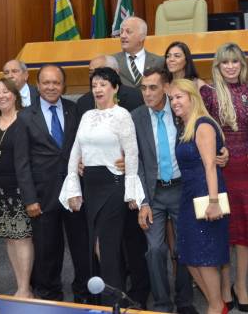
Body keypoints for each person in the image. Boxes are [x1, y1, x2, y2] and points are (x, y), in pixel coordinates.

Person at [61, 66, 145, 304]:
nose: (97, 89)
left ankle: (113, 302)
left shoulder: (122, 115)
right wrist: (73, 188)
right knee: (96, 245)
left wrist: (131, 192)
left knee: (106, 244)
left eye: (103, 84)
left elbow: (132, 154)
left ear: (115, 88)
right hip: (91, 187)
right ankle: (106, 299)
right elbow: (75, 152)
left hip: (113, 186)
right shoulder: (87, 115)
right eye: (94, 85)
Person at [13, 64, 92, 302]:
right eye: (46, 82)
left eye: (56, 82)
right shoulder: (25, 116)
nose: (51, 87)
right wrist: (29, 199)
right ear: (38, 85)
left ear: (63, 86)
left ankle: (84, 294)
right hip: (42, 195)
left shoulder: (74, 110)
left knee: (82, 246)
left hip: (75, 192)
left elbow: (83, 145)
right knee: (47, 250)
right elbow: (22, 163)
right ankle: (49, 295)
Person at [201, 42, 248, 311]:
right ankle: (224, 286)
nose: (230, 67)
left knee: (244, 229)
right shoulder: (208, 93)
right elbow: (202, 128)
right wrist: (216, 151)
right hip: (221, 167)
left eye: (235, 61)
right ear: (217, 66)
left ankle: (241, 285)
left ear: (242, 64)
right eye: (225, 62)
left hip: (246, 167)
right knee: (224, 229)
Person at [134, 66, 198, 314]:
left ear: (167, 88)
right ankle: (161, 304)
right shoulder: (137, 117)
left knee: (184, 246)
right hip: (153, 194)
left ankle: (184, 301)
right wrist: (143, 201)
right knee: (154, 249)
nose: (147, 93)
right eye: (144, 88)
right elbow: (136, 162)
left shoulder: (181, 111)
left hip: (182, 189)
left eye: (153, 87)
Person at [170, 78, 230, 314]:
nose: (174, 102)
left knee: (205, 257)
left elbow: (210, 166)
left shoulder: (202, 125)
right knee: (188, 255)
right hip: (189, 196)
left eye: (179, 97)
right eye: (172, 98)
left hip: (206, 195)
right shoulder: (185, 126)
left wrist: (214, 202)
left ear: (193, 98)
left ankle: (215, 306)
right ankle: (217, 304)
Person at [0, 77, 35, 299]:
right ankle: (20, 284)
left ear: (15, 94)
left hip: (21, 188)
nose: (1, 96)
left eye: (5, 91)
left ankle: (25, 288)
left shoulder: (26, 119)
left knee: (22, 237)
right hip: (0, 189)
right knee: (9, 237)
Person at [77, 54, 146, 115]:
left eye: (101, 71)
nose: (95, 75)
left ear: (115, 72)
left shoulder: (136, 96)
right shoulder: (83, 102)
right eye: (91, 72)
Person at [113, 16, 164, 88]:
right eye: (121, 32)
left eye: (128, 32)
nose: (123, 36)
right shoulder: (112, 61)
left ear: (142, 37)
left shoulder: (159, 61)